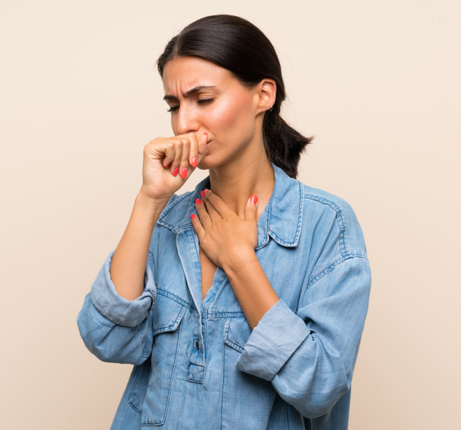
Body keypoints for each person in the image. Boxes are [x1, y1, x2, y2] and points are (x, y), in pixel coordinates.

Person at [77, 14, 371, 430]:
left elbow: (320, 387)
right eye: (175, 106)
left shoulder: (326, 226)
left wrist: (239, 261)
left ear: (263, 95)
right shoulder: (170, 220)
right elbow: (108, 339)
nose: (184, 124)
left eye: (204, 99)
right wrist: (149, 200)